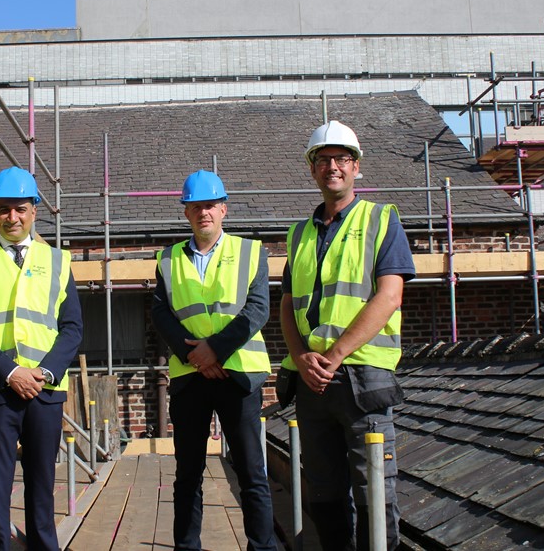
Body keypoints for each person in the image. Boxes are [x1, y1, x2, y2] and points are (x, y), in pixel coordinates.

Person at [280, 121, 416, 550]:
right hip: (312, 381)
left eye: (341, 159)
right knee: (323, 495)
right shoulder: (299, 233)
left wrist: (334, 355)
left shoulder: (381, 219)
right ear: (312, 170)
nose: (332, 167)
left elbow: (390, 296)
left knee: (375, 492)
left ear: (356, 167)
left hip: (363, 379)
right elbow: (287, 304)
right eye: (322, 160)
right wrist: (301, 357)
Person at [0, 167, 82, 551]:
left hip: (43, 391)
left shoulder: (58, 261)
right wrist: (11, 373)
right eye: (4, 209)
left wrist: (42, 372)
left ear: (34, 211)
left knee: (42, 483)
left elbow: (72, 328)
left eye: (20, 209)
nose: (12, 217)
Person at [152, 170, 277, 551]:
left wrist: (215, 350)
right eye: (195, 207)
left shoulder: (251, 252)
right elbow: (160, 314)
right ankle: (187, 546)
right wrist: (197, 357)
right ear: (185, 213)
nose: (203, 212)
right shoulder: (167, 258)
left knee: (252, 471)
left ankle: (263, 547)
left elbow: (257, 309)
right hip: (191, 377)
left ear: (223, 209)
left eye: (210, 205)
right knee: (187, 473)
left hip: (237, 376)